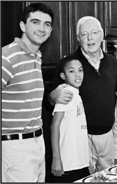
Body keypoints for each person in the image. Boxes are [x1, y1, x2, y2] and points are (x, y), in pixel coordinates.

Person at [44, 16, 117, 174]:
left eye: (94, 32)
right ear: (78, 38)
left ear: (102, 34)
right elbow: (49, 97)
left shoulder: (112, 62)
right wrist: (53, 95)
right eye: (84, 34)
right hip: (82, 137)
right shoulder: (69, 64)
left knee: (110, 176)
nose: (90, 38)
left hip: (108, 135)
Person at [2, 3, 54, 182]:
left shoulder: (36, 57)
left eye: (47, 24)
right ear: (23, 26)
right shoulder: (7, 57)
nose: (42, 28)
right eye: (35, 22)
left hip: (37, 142)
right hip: (14, 146)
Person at [51, 57, 89, 182]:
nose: (78, 74)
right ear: (63, 75)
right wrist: (56, 159)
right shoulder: (67, 92)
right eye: (72, 71)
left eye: (80, 70)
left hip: (80, 162)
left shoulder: (76, 94)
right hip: (68, 164)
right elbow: (55, 125)